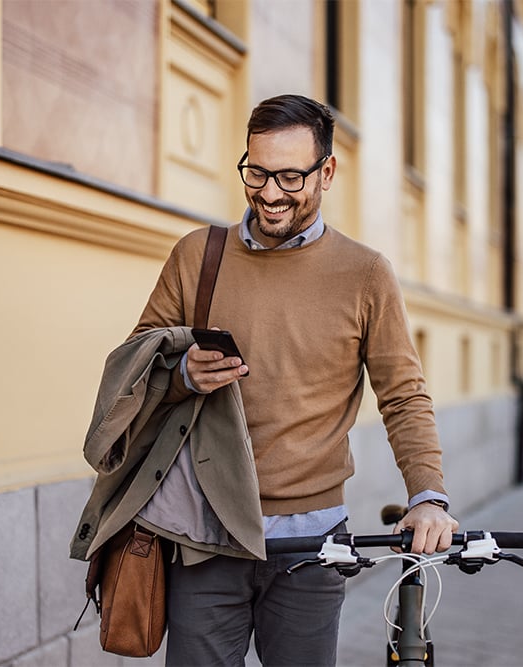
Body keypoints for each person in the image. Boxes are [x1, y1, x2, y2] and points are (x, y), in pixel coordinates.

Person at [130, 94, 458, 666]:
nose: (270, 193)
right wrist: (183, 372)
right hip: (205, 536)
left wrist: (427, 496)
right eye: (256, 172)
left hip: (313, 547)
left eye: (289, 176)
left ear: (326, 171)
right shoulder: (196, 256)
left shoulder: (365, 274)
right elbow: (134, 365)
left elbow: (403, 394)